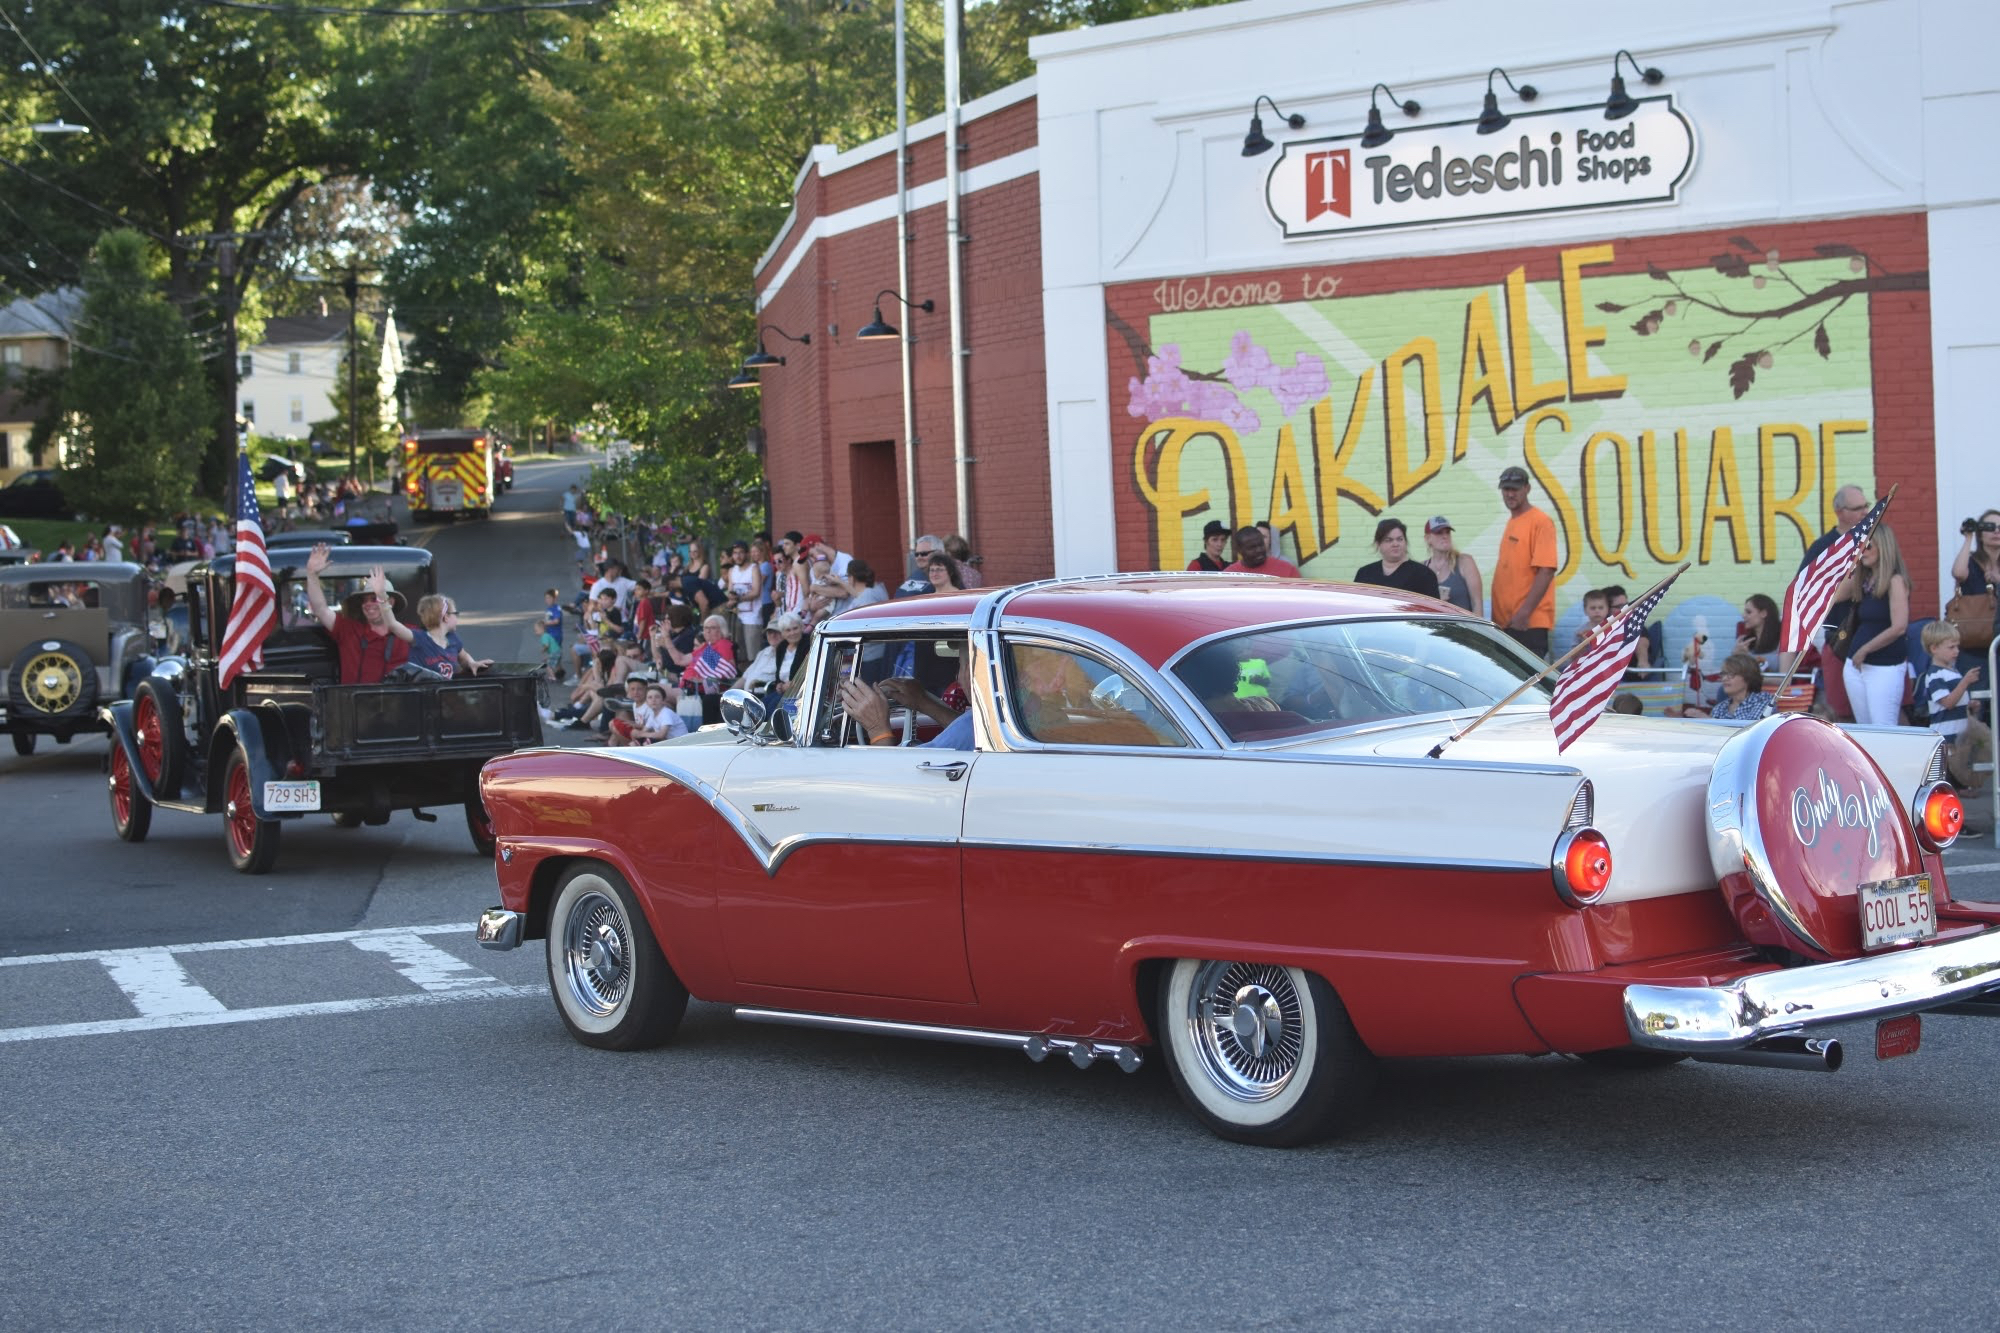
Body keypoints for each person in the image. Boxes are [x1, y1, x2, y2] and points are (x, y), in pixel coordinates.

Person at [1834, 522, 1910, 726]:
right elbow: (1835, 596)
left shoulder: (1895, 581)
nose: (1863, 551)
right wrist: (1853, 563)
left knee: (1883, 727)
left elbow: (1899, 627)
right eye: (1860, 546)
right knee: (1864, 728)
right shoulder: (1864, 579)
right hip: (1855, 665)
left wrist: (1865, 649)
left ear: (1883, 547)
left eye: (1868, 546)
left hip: (1883, 665)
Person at [303, 544, 414, 682]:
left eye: (374, 598)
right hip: (353, 696)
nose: (368, 604)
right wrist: (312, 575)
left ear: (390, 602)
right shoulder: (349, 630)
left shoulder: (409, 633)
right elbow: (321, 610)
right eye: (365, 600)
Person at [839, 651, 976, 750]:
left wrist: (878, 731)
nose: (957, 677)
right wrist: (922, 701)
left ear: (969, 671)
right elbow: (969, 730)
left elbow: (899, 774)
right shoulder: (978, 724)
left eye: (960, 665)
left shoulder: (968, 727)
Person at [1914, 621, 1991, 789]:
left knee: (1958, 781)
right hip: (1946, 738)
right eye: (1951, 647)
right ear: (1934, 648)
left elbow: (1956, 701)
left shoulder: (1952, 672)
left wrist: (1969, 705)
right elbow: (1948, 702)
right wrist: (1965, 682)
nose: (1956, 651)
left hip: (1959, 737)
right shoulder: (1935, 675)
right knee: (1947, 783)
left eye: (1957, 646)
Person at [1490, 465, 1558, 656]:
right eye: (1506, 489)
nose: (1510, 494)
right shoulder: (1513, 521)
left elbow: (1546, 570)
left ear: (1527, 488)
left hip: (1527, 624)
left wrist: (1524, 613)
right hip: (1509, 624)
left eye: (1515, 489)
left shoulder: (1540, 521)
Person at [408, 595, 493, 678]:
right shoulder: (420, 637)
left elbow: (464, 656)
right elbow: (399, 629)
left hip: (449, 687)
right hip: (426, 687)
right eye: (456, 614)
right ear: (446, 617)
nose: (457, 618)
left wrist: (472, 663)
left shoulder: (452, 638)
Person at [673, 614, 736, 726]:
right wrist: (666, 640)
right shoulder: (708, 646)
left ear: (722, 630)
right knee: (660, 699)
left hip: (699, 689)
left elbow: (726, 670)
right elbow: (680, 660)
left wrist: (701, 679)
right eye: (706, 628)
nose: (708, 631)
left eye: (712, 628)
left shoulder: (723, 644)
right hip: (689, 686)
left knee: (659, 695)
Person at [1352, 518, 1440, 597]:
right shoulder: (1365, 573)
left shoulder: (1424, 575)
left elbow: (1433, 608)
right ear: (1378, 544)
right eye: (1388, 540)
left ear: (1405, 542)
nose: (1395, 544)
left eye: (1400, 539)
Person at [1690, 652, 1777, 724]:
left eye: (1731, 674)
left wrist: (1708, 720)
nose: (1725, 678)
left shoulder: (1764, 700)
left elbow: (1751, 731)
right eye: (1723, 674)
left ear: (1748, 677)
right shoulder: (1720, 707)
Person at [1421, 516, 1480, 612]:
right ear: (1427, 538)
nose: (1445, 536)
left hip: (1461, 622)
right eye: (1439, 533)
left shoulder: (1465, 562)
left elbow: (1477, 603)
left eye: (1447, 532)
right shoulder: (1422, 569)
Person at [726, 540, 765, 652]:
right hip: (736, 617)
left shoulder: (754, 568)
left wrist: (738, 598)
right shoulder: (732, 570)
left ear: (747, 554)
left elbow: (756, 592)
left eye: (741, 552)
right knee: (739, 654)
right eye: (735, 553)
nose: (738, 556)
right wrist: (730, 598)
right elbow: (730, 591)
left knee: (753, 654)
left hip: (752, 618)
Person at [1952, 508, 2000, 597]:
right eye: (1990, 527)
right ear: (1980, 535)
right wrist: (1968, 537)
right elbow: (1958, 573)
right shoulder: (1971, 563)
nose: (1996, 531)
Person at [1735, 593, 1784, 674]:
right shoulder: (1744, 642)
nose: (1743, 616)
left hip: (1770, 682)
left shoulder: (1784, 642)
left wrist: (1748, 659)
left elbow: (1785, 678)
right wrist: (1736, 656)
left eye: (1748, 612)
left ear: (1763, 613)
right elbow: (1734, 673)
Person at [1225, 525, 1299, 577]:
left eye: (1261, 545)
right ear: (1239, 550)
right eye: (1252, 547)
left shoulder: (1287, 570)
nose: (1259, 550)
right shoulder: (1229, 575)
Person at [538, 588, 565, 679]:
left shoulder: (556, 608)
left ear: (554, 599)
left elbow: (556, 621)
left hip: (556, 635)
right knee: (555, 652)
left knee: (554, 652)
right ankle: (559, 670)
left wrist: (545, 623)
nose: (547, 600)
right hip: (550, 634)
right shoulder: (549, 608)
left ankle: (553, 672)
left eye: (549, 598)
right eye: (546, 598)